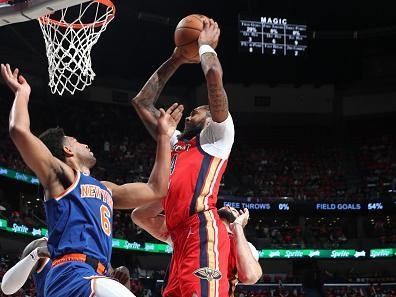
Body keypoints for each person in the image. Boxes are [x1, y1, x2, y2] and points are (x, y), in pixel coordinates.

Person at [0, 63, 183, 297]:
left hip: (94, 274)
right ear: (67, 149)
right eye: (77, 141)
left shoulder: (106, 189)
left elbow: (156, 189)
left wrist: (163, 138)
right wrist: (22, 94)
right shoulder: (62, 177)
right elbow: (19, 131)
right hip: (70, 272)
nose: (85, 144)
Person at [132, 19, 234, 297]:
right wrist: (175, 59)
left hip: (202, 230)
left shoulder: (217, 138)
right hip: (180, 239)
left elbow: (213, 76)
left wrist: (204, 47)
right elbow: (141, 102)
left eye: (198, 111)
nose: (190, 114)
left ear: (212, 118)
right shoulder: (176, 141)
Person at [131, 205, 262, 297]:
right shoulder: (191, 228)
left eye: (235, 210)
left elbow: (250, 276)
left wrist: (238, 227)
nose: (229, 207)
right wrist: (166, 194)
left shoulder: (243, 246)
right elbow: (139, 217)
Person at [0, 238, 132, 296]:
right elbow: (7, 287)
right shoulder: (43, 245)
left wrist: (125, 279)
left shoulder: (99, 257)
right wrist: (36, 254)